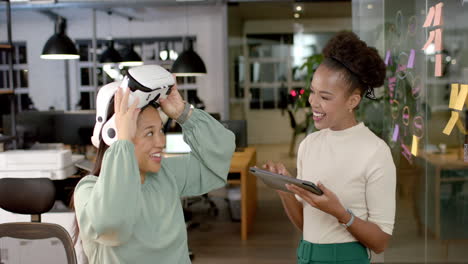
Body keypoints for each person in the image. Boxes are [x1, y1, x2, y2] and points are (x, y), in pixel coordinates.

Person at [263, 31, 395, 264]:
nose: (313, 102)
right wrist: (284, 190)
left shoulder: (375, 151)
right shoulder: (309, 145)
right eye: (313, 92)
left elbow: (380, 242)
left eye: (325, 96)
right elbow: (308, 226)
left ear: (352, 101)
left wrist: (340, 213)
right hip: (307, 256)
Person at [73, 83, 235, 263]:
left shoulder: (165, 174)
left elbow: (216, 161)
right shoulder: (88, 190)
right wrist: (122, 144)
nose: (161, 141)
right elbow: (113, 225)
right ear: (116, 137)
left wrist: (184, 114)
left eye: (160, 130)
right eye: (149, 133)